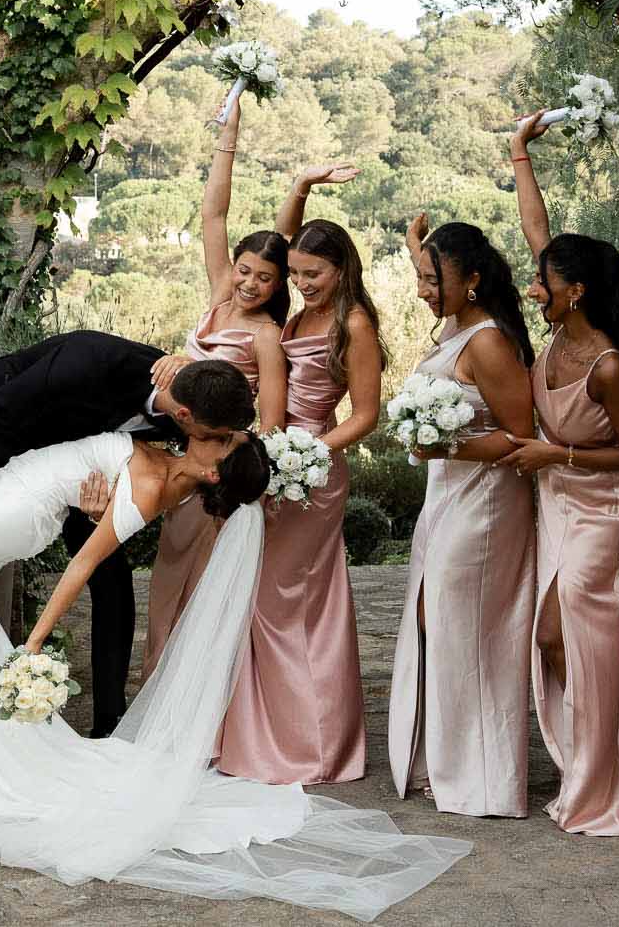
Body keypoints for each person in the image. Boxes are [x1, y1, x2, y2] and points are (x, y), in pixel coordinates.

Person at [0, 429, 471, 914]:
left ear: (216, 466)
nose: (205, 431)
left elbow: (83, 566)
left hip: (17, 503)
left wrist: (32, 641)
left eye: (219, 438)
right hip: (22, 487)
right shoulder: (166, 446)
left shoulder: (160, 489)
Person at [0, 342, 257, 738]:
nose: (216, 444)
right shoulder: (90, 362)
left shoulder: (189, 396)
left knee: (114, 583)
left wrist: (101, 505)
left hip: (79, 477)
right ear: (186, 415)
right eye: (215, 437)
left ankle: (109, 724)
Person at [504, 117, 619, 836]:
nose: (534, 285)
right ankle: (587, 761)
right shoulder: (559, 329)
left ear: (574, 291)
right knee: (553, 639)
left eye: (545, 281)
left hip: (601, 507)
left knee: (572, 639)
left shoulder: (606, 363)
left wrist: (555, 456)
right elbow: (537, 227)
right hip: (557, 503)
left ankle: (605, 781)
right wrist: (518, 153)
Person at [205, 170, 379, 785]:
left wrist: (308, 452)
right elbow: (275, 249)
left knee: (293, 602)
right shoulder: (296, 311)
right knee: (268, 600)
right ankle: (272, 734)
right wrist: (301, 187)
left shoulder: (352, 324)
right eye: (297, 275)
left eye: (315, 275)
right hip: (274, 460)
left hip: (313, 472)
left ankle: (317, 745)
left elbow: (365, 415)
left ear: (342, 270)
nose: (302, 285)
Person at [386, 217, 537, 818]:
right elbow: (439, 283)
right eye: (421, 277)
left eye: (432, 279)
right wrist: (417, 243)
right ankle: (443, 757)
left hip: (486, 502)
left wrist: (443, 446)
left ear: (470, 281)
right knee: (436, 620)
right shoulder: (456, 324)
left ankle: (485, 776)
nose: (423, 289)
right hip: (445, 495)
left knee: (466, 627)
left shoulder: (490, 342)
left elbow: (521, 437)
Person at [142, 95, 291, 674]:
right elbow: (213, 217)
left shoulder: (266, 337)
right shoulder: (218, 298)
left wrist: (227, 478)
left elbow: (271, 425)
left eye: (264, 278)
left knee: (198, 585)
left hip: (214, 473)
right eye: (245, 269)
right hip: (177, 456)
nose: (250, 282)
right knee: (166, 579)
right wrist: (228, 134)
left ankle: (191, 700)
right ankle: (156, 689)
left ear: (279, 286)